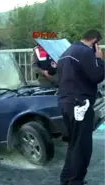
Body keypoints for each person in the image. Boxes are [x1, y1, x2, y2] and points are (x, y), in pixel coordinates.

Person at [57, 29, 105, 185]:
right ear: (95, 42)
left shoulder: (67, 51)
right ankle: (76, 181)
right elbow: (97, 76)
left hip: (66, 101)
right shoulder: (85, 52)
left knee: (74, 143)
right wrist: (100, 59)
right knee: (82, 146)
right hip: (80, 103)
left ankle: (66, 179)